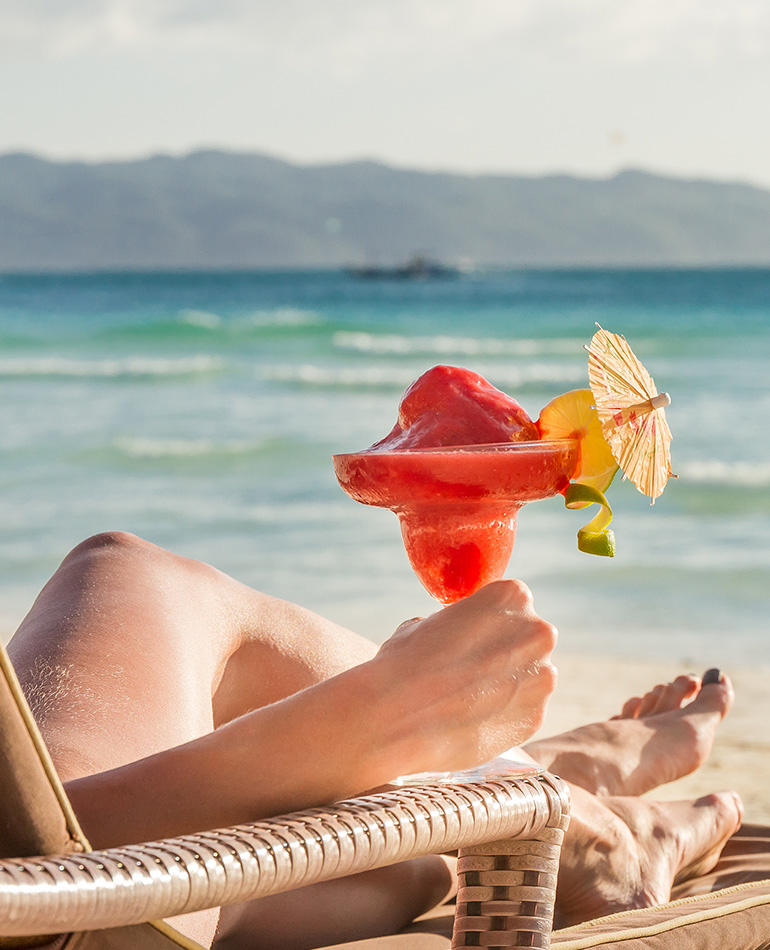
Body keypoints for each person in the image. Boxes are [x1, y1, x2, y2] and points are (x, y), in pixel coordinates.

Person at [6, 532, 748, 950]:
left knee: (417, 866)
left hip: (116, 915)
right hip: (58, 905)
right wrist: (315, 741)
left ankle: (529, 778)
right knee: (129, 574)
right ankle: (560, 806)